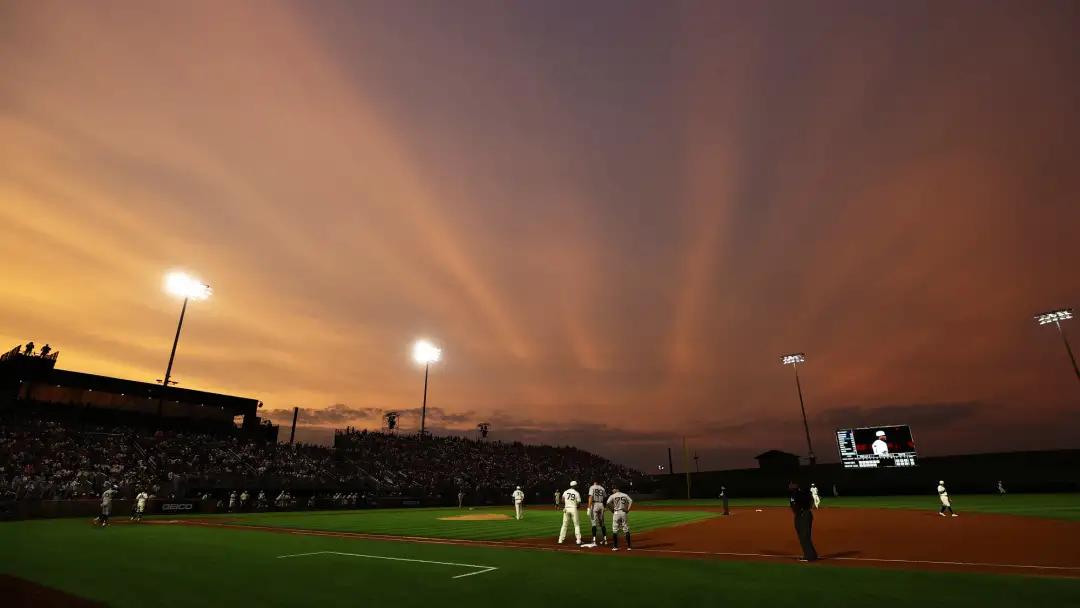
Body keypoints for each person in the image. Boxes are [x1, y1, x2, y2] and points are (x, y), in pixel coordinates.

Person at [788, 481, 817, 562]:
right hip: (805, 514)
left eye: (791, 484)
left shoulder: (796, 494)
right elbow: (811, 500)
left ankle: (809, 556)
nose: (789, 486)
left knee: (804, 536)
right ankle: (812, 555)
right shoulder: (802, 493)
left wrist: (800, 511)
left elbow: (795, 505)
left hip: (802, 515)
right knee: (804, 536)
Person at [606, 484, 633, 551]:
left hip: (616, 513)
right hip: (624, 512)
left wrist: (612, 509)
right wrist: (628, 510)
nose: (612, 490)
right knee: (626, 528)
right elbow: (631, 501)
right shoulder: (625, 495)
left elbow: (608, 503)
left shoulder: (613, 495)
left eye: (613, 489)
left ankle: (615, 547)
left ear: (616, 489)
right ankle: (629, 547)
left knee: (615, 530)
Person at [558, 481, 582, 545]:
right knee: (576, 525)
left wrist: (566, 504)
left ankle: (560, 539)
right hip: (574, 508)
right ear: (575, 486)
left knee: (564, 525)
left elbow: (562, 500)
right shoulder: (577, 493)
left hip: (566, 508)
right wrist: (576, 506)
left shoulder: (566, 492)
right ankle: (578, 540)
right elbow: (579, 504)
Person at [587, 479, 608, 545]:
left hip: (594, 505)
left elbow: (590, 497)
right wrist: (604, 506)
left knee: (594, 523)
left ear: (594, 482)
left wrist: (588, 508)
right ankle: (605, 539)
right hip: (601, 505)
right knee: (602, 523)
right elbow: (605, 498)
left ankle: (594, 540)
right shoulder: (602, 488)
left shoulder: (592, 487)